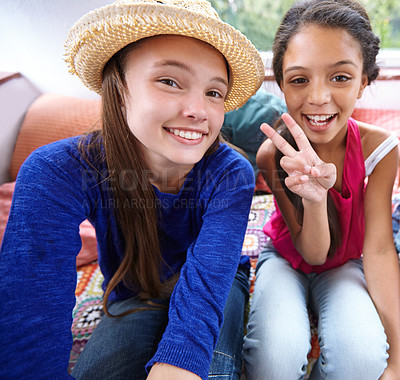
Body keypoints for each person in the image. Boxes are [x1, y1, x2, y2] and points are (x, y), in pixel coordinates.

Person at [0, 0, 265, 379]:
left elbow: (208, 279)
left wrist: (178, 364)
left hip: (217, 283)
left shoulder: (231, 173)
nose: (198, 110)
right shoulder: (55, 171)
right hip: (134, 292)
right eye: (170, 81)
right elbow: (29, 314)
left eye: (214, 93)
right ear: (119, 88)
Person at [243, 0, 400, 379]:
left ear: (364, 81)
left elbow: (378, 248)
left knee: (361, 359)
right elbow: (311, 252)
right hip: (286, 258)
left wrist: (397, 357)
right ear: (280, 84)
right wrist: (315, 198)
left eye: (340, 78)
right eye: (299, 79)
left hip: (347, 263)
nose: (318, 98)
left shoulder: (382, 149)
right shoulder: (271, 153)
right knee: (273, 361)